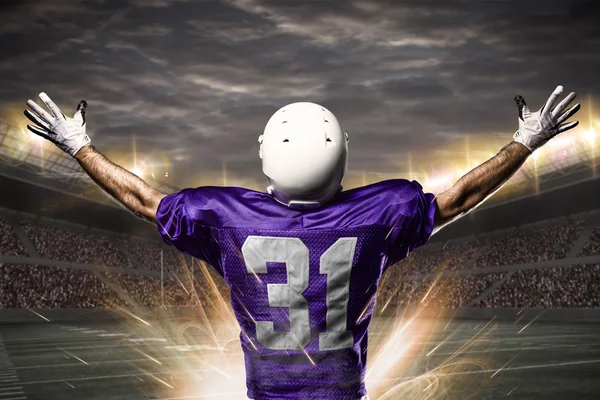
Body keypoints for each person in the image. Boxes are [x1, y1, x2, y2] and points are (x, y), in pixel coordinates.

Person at [23, 86, 580, 400]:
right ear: (342, 155)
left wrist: (79, 146)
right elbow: (458, 198)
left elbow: (144, 200)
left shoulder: (225, 215)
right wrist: (526, 141)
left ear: (267, 152)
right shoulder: (379, 213)